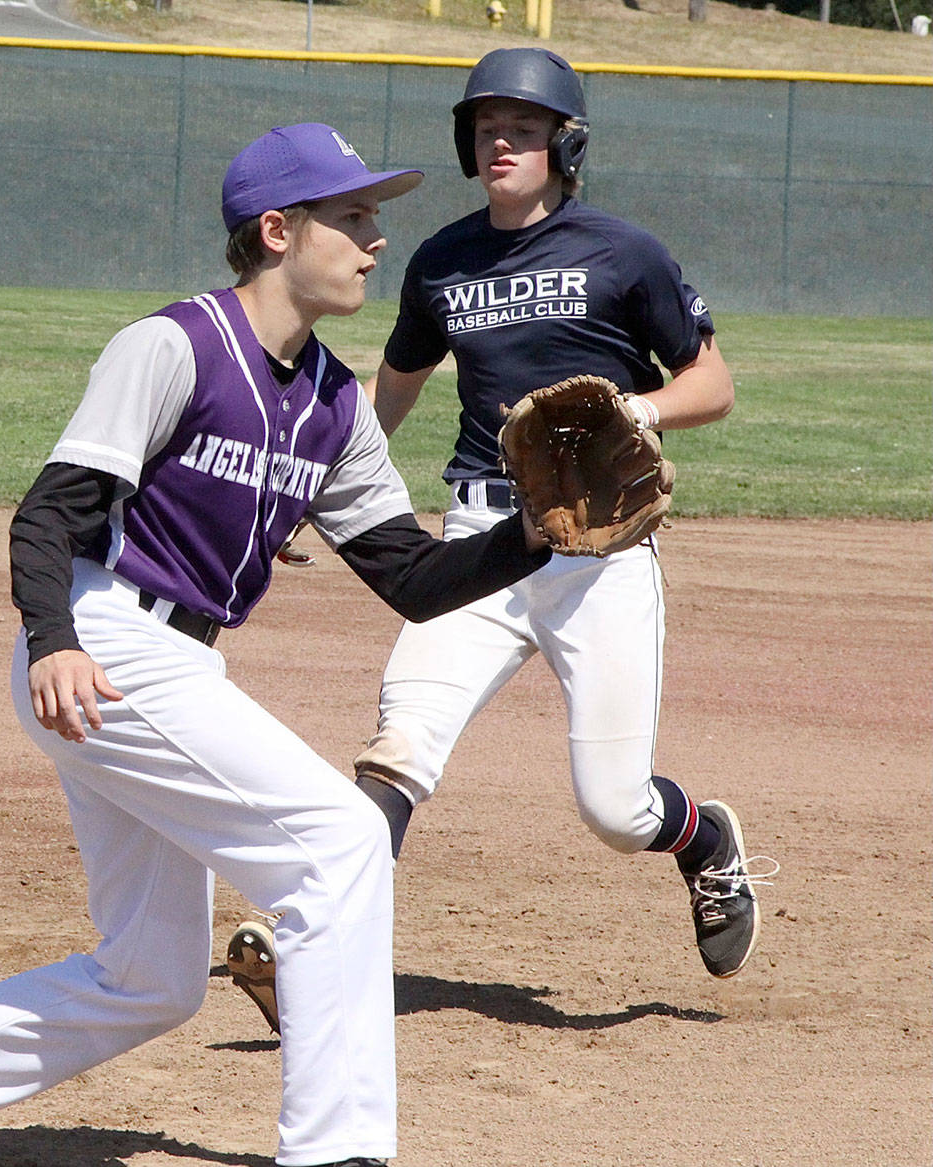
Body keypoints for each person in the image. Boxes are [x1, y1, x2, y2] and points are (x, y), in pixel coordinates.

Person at [0, 121, 554, 1167]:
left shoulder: (335, 403)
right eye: (354, 215)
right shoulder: (175, 345)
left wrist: (535, 534)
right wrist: (52, 640)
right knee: (338, 843)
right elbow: (48, 515)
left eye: (376, 215)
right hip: (102, 641)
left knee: (150, 979)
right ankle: (338, 1151)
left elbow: (410, 579)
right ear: (277, 230)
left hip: (173, 663)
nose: (377, 239)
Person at [228, 50, 776, 1034]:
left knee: (615, 811)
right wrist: (304, 483)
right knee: (401, 740)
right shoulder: (440, 261)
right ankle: (307, 942)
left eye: (521, 126)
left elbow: (713, 384)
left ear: (563, 143)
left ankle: (699, 839)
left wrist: (633, 412)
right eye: (485, 126)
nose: (499, 142)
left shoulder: (623, 253)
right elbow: (388, 391)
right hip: (482, 536)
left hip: (599, 548)